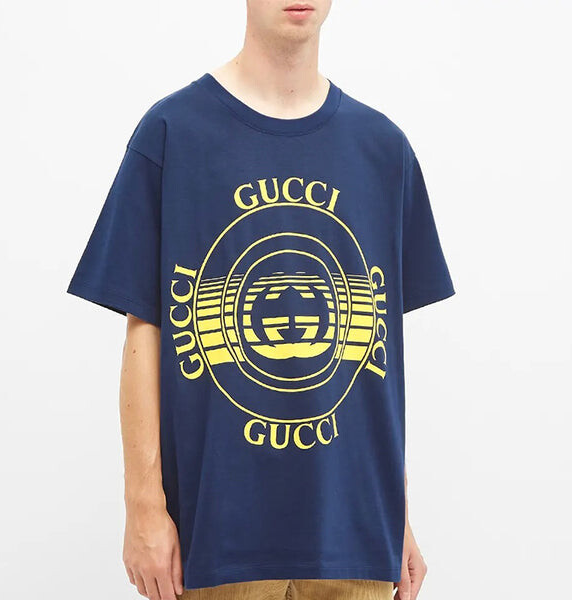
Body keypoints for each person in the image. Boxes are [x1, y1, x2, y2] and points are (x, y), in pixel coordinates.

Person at [66, 1, 456, 599]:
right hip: (216, 545)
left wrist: (397, 518)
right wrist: (143, 506)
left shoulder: (383, 151)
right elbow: (145, 330)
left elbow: (377, 361)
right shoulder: (173, 134)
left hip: (356, 545)